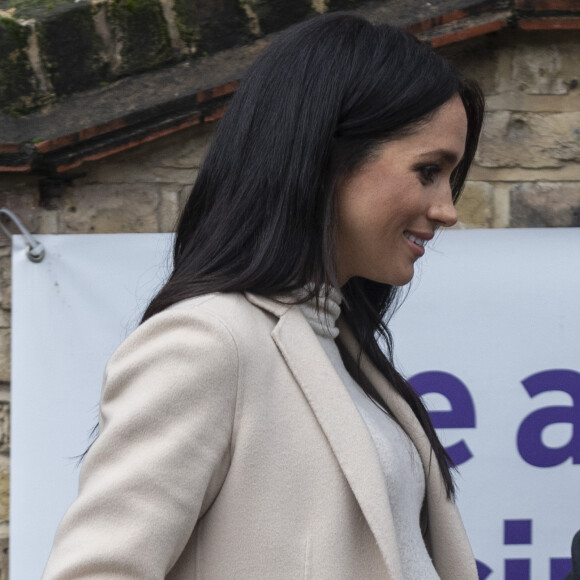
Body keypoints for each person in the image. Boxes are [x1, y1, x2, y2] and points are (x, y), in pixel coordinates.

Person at [43, 12, 485, 580]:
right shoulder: (207, 342)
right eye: (428, 170)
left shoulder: (341, 347)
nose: (447, 209)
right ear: (327, 157)